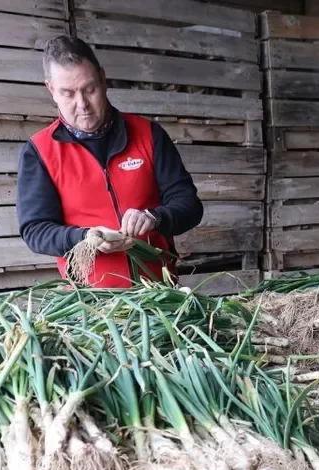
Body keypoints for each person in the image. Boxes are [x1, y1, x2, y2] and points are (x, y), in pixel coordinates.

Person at [17, 36, 204, 288]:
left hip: (158, 294)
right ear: (51, 90)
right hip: (89, 304)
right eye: (68, 93)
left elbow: (190, 205)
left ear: (103, 79)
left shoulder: (149, 135)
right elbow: (36, 231)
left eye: (89, 89)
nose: (82, 104)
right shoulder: (40, 152)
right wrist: (84, 237)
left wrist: (155, 217)